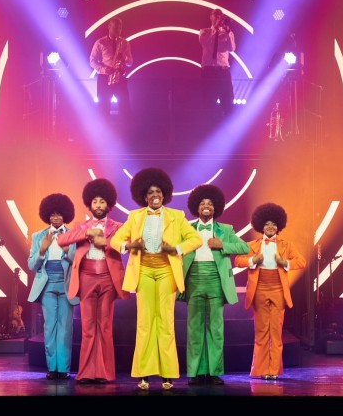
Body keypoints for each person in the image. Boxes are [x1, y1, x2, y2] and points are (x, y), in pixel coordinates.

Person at [109, 167, 202, 390]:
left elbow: (196, 239)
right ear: (144, 196)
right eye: (150, 192)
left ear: (164, 194)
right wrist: (130, 245)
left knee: (165, 322)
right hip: (143, 271)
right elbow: (115, 240)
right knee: (144, 323)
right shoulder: (135, 216)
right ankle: (143, 374)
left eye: (158, 191)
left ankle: (168, 374)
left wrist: (176, 249)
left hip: (166, 271)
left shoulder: (176, 216)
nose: (155, 195)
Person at [56, 178, 129, 384]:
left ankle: (104, 373)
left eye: (102, 201)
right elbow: (61, 240)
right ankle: (86, 373)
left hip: (108, 278)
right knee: (88, 327)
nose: (98, 205)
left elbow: (128, 245)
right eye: (95, 201)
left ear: (109, 204)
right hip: (86, 277)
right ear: (89, 204)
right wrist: (87, 232)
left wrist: (105, 242)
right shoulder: (81, 226)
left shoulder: (118, 226)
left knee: (104, 326)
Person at [179, 184, 249, 386]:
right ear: (196, 206)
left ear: (216, 207)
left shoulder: (225, 229)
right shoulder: (187, 228)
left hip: (216, 281)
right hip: (193, 279)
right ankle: (195, 372)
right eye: (202, 203)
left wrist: (222, 245)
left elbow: (244, 247)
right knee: (194, 327)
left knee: (216, 328)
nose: (206, 206)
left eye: (210, 203)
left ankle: (213, 371)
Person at [235, 203, 305, 380]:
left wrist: (284, 263)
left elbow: (301, 262)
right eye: (267, 224)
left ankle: (273, 370)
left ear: (279, 226)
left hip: (278, 289)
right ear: (261, 226)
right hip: (259, 289)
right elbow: (238, 260)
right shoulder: (252, 245)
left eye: (273, 223)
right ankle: (260, 370)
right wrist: (253, 260)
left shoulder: (286, 245)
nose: (270, 227)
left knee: (276, 331)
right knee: (261, 331)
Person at [27, 193, 78, 380]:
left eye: (59, 214)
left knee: (65, 328)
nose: (56, 218)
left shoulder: (73, 235)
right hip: (47, 283)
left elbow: (77, 262)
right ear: (47, 215)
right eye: (52, 214)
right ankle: (52, 368)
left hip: (66, 283)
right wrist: (42, 249)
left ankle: (63, 369)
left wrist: (67, 251)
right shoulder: (38, 236)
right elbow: (31, 265)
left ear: (66, 215)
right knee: (49, 327)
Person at [89, 16, 133, 124]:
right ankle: (103, 131)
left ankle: (127, 131)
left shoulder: (125, 43)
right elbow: (92, 61)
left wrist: (125, 59)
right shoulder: (100, 42)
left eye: (119, 28)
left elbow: (130, 62)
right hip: (104, 78)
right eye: (115, 28)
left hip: (119, 78)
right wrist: (104, 69)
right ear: (109, 27)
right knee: (103, 109)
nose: (117, 31)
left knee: (125, 109)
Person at [199, 8, 236, 118]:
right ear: (211, 17)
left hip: (223, 71)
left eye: (220, 15)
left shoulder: (228, 33)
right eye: (216, 15)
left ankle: (228, 125)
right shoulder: (204, 31)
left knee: (228, 102)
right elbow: (204, 42)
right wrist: (215, 28)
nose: (218, 17)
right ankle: (208, 125)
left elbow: (232, 49)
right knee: (208, 103)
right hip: (209, 71)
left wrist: (228, 32)